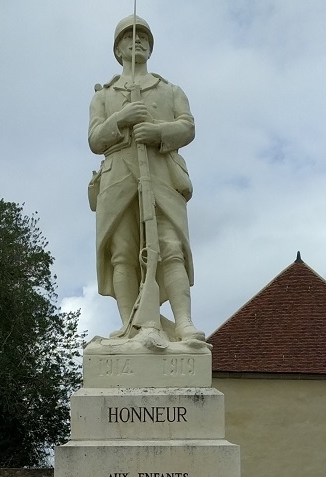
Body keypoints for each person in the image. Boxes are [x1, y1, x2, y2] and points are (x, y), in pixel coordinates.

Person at [88, 15, 204, 345]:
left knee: (170, 247)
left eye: (143, 38)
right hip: (118, 176)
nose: (137, 41)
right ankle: (132, 327)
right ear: (118, 48)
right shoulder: (104, 95)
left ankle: (184, 323)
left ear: (150, 48)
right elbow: (95, 139)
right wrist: (121, 118)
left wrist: (158, 132)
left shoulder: (170, 90)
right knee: (122, 252)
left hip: (161, 175)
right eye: (129, 37)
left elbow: (188, 126)